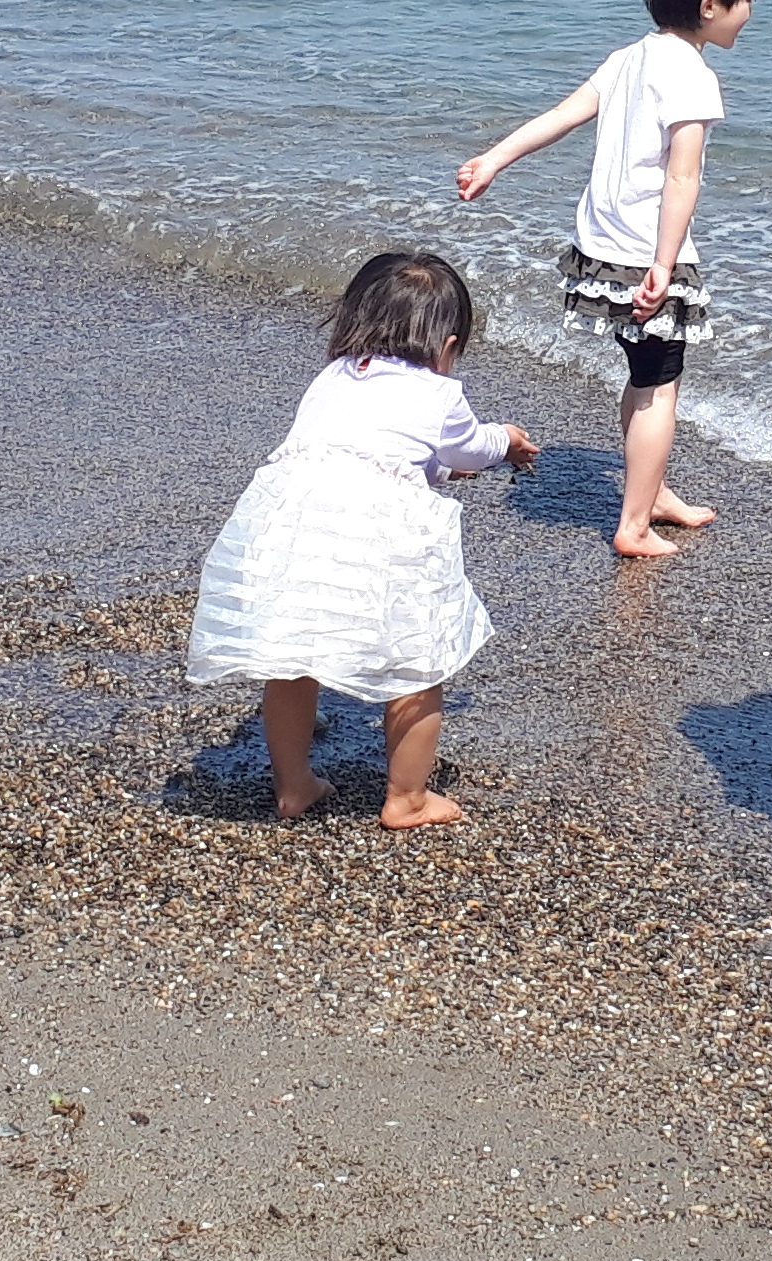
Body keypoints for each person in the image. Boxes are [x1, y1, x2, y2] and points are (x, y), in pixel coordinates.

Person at [189, 250, 540, 829]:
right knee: (416, 663)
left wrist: (444, 468)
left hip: (294, 518)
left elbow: (372, 448)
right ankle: (407, 799)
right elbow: (466, 448)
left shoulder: (332, 377)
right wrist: (507, 441)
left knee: (292, 657)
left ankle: (294, 786)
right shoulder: (439, 393)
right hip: (378, 529)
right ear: (448, 348)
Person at [455, 0, 765, 560]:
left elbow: (560, 117)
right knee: (659, 386)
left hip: (600, 249)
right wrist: (664, 262)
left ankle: (652, 493)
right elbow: (683, 176)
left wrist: (494, 158)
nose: (750, 12)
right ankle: (633, 523)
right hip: (645, 254)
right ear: (711, 5)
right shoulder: (694, 76)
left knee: (644, 372)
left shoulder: (628, 58)